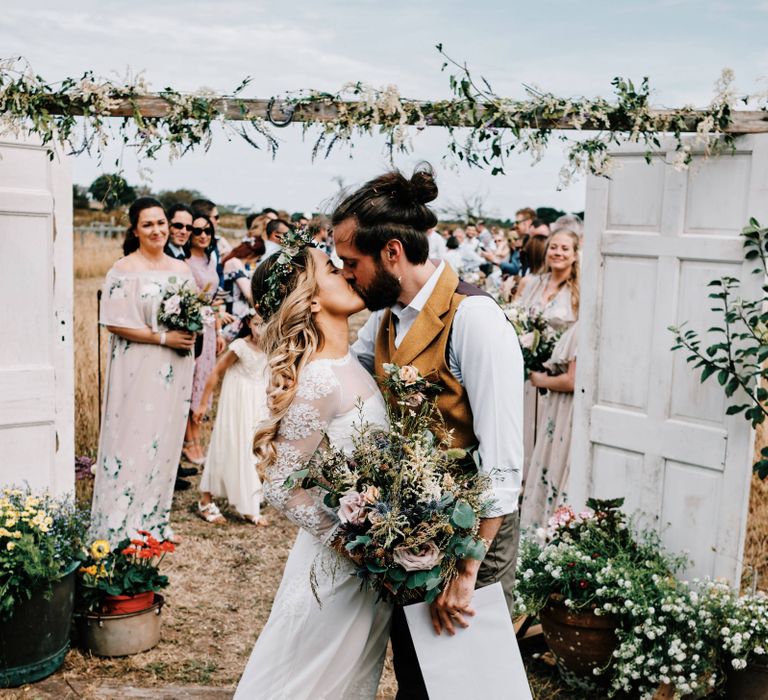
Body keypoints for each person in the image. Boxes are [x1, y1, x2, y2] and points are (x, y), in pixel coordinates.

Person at [333, 165, 523, 700]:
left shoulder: (475, 320)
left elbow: (504, 462)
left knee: (465, 684)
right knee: (417, 671)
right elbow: (347, 375)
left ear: (392, 253)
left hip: (473, 535)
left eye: (352, 264)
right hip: (415, 531)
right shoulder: (387, 316)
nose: (347, 276)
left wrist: (466, 571)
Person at [234, 236, 391, 700]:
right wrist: (355, 545)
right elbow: (283, 487)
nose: (346, 271)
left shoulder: (351, 362)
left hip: (368, 572)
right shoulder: (320, 378)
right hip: (337, 571)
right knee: (305, 684)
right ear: (311, 296)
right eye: (330, 267)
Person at [89, 197, 195, 546]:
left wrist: (192, 328)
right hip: (139, 365)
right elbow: (114, 323)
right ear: (134, 230)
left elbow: (193, 312)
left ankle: (153, 519)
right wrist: (164, 336)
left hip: (173, 366)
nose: (158, 230)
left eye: (162, 223)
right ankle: (119, 523)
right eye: (148, 224)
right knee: (132, 439)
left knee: (163, 440)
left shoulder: (180, 270)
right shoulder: (124, 269)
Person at [519, 231, 580, 532]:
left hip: (553, 378)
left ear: (575, 254)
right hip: (526, 373)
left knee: (543, 432)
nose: (558, 252)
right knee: (520, 429)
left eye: (565, 248)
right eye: (554, 246)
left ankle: (535, 492)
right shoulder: (532, 284)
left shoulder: (578, 291)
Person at [192, 312, 270, 526]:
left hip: (258, 403)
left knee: (255, 451)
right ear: (247, 323)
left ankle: (248, 503)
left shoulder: (271, 347)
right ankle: (206, 500)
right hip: (237, 403)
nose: (260, 330)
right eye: (257, 324)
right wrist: (201, 403)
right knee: (228, 445)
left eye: (265, 324)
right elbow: (216, 372)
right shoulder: (239, 347)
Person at [182, 214, 225, 464]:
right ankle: (190, 440)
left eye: (207, 231)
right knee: (193, 381)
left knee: (204, 380)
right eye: (197, 231)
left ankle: (196, 436)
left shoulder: (211, 260)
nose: (203, 235)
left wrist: (219, 331)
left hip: (210, 326)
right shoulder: (185, 262)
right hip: (194, 326)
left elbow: (215, 299)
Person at [220, 238, 265, 341]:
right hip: (233, 313)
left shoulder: (240, 265)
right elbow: (248, 293)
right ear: (253, 254)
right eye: (258, 258)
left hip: (240, 313)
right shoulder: (234, 263)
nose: (256, 261)